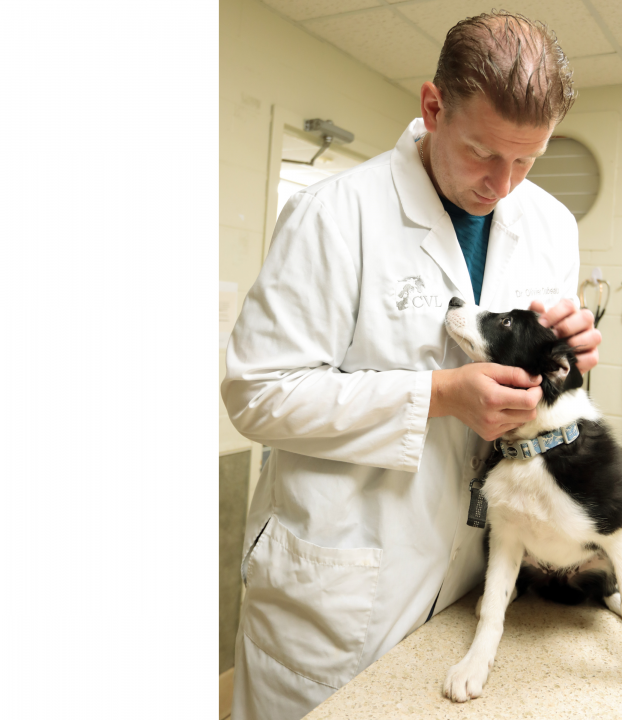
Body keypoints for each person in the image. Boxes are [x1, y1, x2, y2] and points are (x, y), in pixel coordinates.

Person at [221, 12, 601, 720]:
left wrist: (567, 366)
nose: (504, 184)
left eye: (527, 160)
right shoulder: (336, 213)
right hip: (341, 586)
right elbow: (257, 395)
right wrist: (437, 395)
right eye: (484, 153)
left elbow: (543, 394)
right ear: (433, 108)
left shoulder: (551, 225)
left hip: (469, 580)